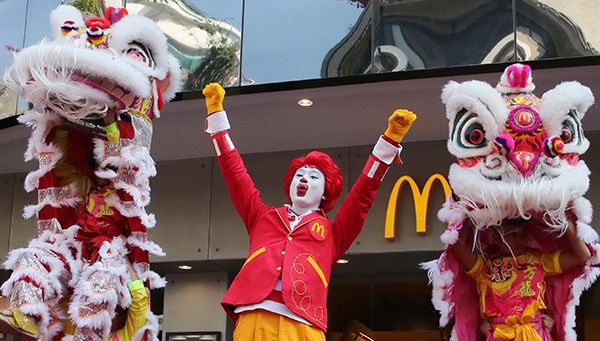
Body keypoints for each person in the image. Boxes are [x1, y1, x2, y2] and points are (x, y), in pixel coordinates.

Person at [202, 83, 416, 340]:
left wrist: (390, 141)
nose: (303, 179)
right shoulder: (262, 217)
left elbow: (363, 193)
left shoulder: (333, 233)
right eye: (299, 175)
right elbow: (234, 173)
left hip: (303, 326)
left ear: (326, 192)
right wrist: (216, 116)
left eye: (314, 177)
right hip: (254, 318)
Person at [453, 217, 592, 340]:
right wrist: (466, 213)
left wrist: (566, 222)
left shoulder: (539, 260)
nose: (520, 240)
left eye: (523, 233)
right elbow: (458, 245)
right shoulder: (484, 266)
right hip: (500, 334)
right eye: (513, 234)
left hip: (534, 333)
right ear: (495, 236)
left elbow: (583, 256)